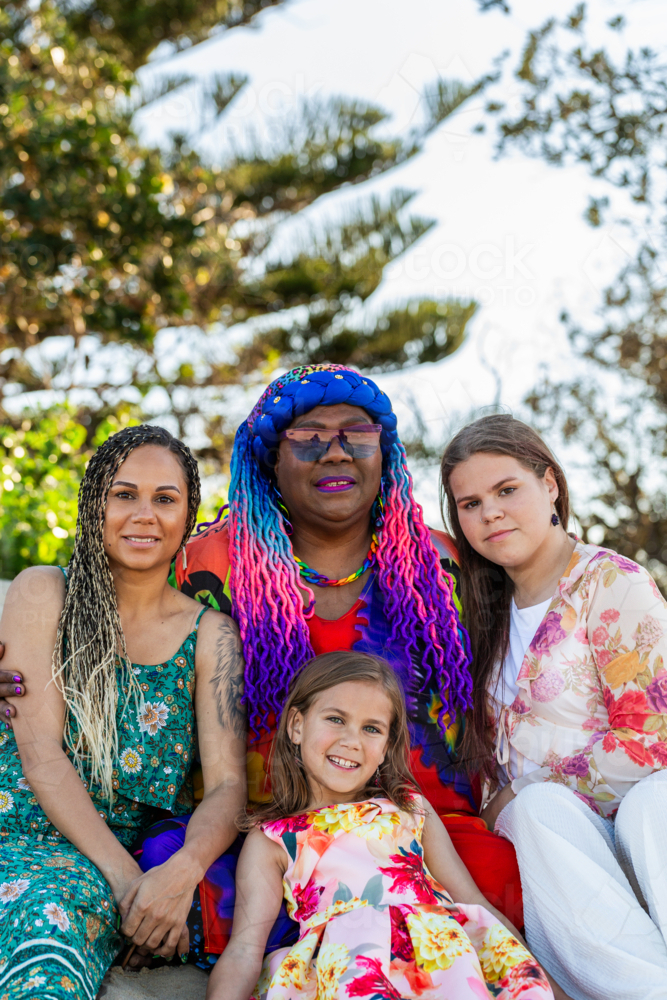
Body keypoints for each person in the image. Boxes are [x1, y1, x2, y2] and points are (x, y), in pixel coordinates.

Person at [0, 363, 523, 966]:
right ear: (270, 461)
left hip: (410, 824)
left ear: (388, 455)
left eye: (356, 435)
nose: (335, 453)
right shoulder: (203, 564)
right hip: (258, 830)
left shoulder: (439, 564)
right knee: (185, 878)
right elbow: (108, 628)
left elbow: (524, 642)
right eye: (307, 439)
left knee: (493, 870)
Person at [0, 425, 246, 999]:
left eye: (165, 499)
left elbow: (228, 784)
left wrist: (179, 876)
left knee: (45, 932)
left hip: (81, 864)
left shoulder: (212, 637)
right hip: (40, 837)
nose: (144, 514)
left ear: (189, 517)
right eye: (123, 494)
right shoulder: (44, 593)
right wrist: (127, 881)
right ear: (93, 505)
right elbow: (40, 754)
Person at [440, 413, 667, 1000]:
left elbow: (651, 736)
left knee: (652, 802)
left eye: (506, 490)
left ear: (550, 485)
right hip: (550, 835)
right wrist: (510, 802)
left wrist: (529, 792)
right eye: (469, 503)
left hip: (640, 815)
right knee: (538, 812)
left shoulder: (612, 584)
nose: (489, 513)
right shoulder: (477, 613)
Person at [207, 651, 555, 1000]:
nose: (352, 741)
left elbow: (476, 904)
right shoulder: (274, 838)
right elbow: (245, 948)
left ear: (387, 747)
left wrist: (548, 987)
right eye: (335, 719)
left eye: (371, 728)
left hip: (444, 961)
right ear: (297, 725)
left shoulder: (408, 806)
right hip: (350, 967)